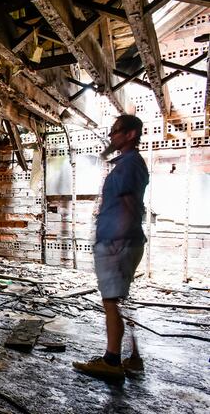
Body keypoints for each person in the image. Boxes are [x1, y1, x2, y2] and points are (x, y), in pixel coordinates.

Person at [73, 114, 149, 380]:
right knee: (119, 299)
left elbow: (129, 205)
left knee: (110, 301)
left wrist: (117, 240)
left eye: (116, 131)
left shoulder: (129, 164)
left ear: (131, 134)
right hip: (123, 240)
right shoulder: (127, 163)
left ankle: (112, 361)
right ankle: (133, 357)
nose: (111, 136)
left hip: (118, 242)